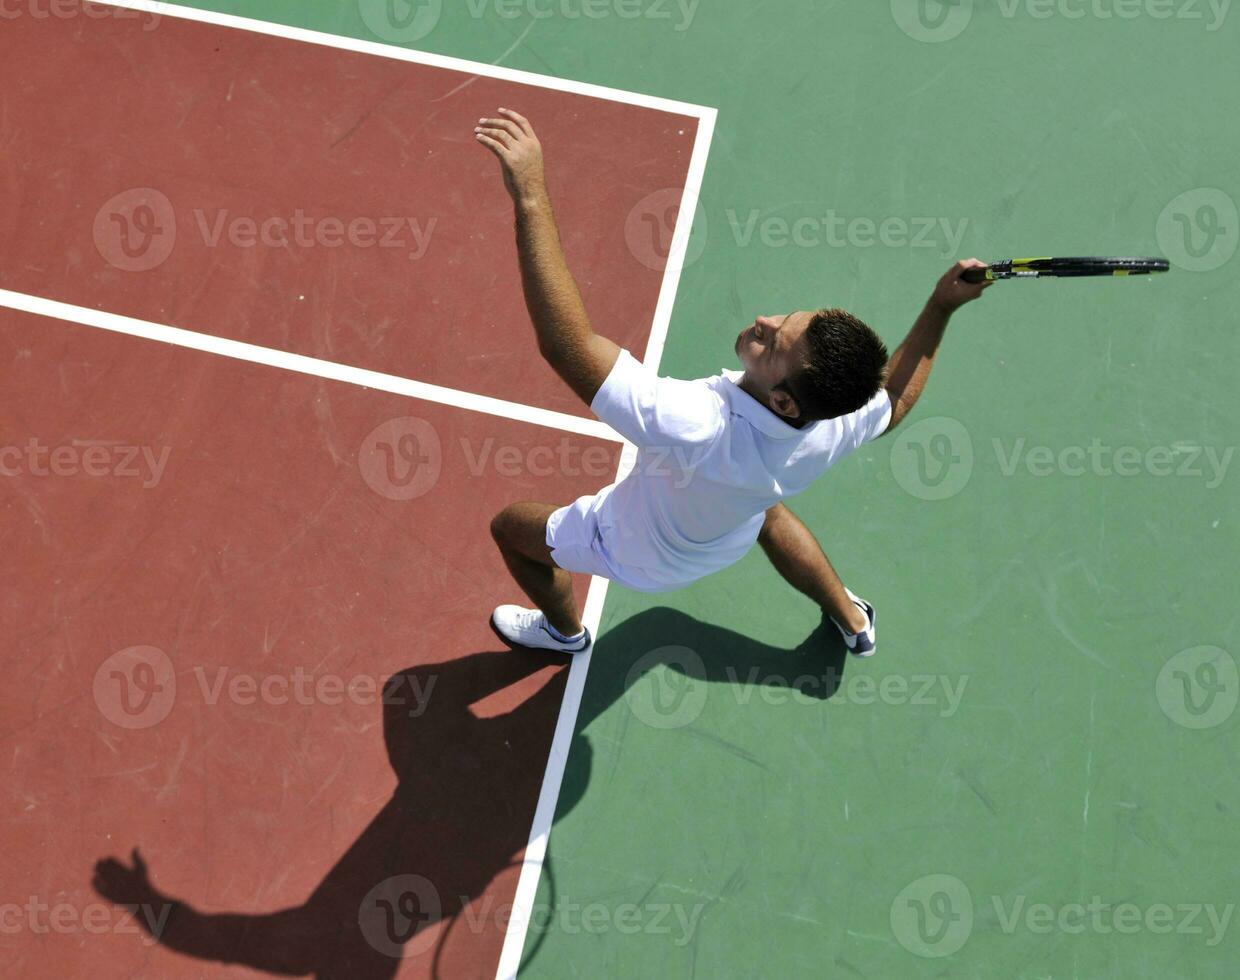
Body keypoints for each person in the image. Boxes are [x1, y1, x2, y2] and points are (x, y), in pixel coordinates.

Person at [474, 108, 991, 657]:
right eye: (787, 318)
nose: (764, 322)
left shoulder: (696, 423)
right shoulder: (831, 421)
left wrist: (529, 193)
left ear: (784, 398)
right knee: (766, 511)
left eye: (773, 344)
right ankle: (852, 618)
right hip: (730, 528)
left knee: (511, 529)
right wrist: (940, 307)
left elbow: (566, 345)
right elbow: (894, 400)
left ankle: (564, 633)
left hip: (635, 548)